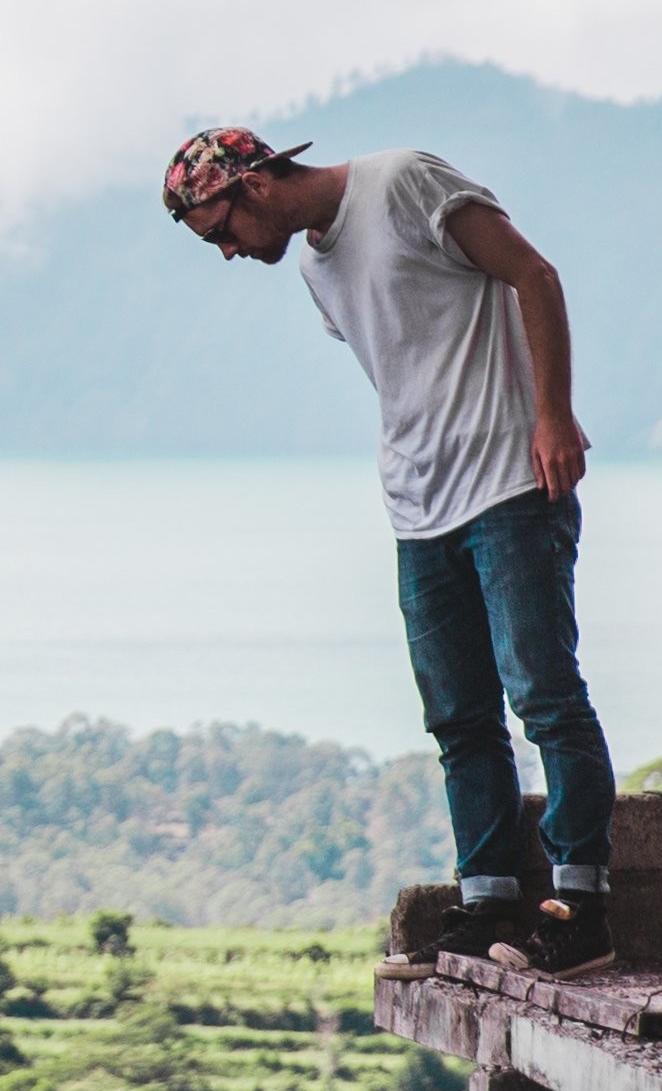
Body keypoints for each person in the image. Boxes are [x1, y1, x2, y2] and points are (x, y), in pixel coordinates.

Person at [163, 124, 614, 973]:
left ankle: (581, 907)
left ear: (252, 185)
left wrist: (552, 414)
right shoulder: (315, 267)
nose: (226, 251)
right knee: (459, 718)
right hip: (418, 509)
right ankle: (487, 901)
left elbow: (534, 275)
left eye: (221, 230)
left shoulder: (404, 183)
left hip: (510, 484)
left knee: (545, 695)